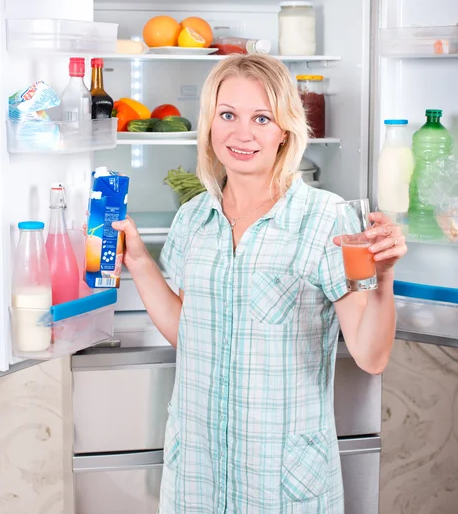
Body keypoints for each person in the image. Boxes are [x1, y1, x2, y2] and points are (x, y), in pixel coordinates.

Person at [111, 54, 407, 513]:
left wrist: (383, 278)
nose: (242, 133)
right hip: (198, 474)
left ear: (284, 130)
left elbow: (371, 355)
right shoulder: (194, 218)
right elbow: (190, 332)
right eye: (228, 115)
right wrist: (138, 261)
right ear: (210, 122)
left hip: (281, 481)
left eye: (261, 118)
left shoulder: (325, 219)